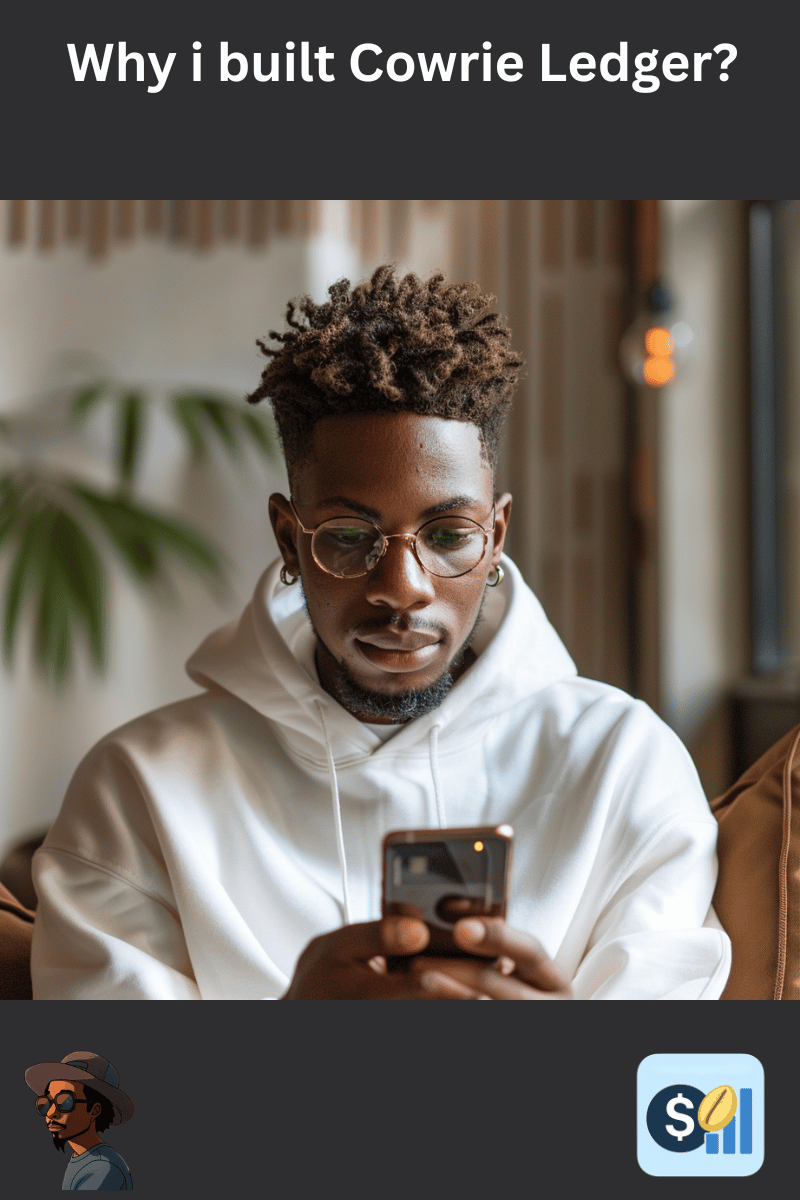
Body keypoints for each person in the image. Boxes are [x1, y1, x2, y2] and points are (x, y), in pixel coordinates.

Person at [31, 266, 730, 999]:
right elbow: (91, 1106)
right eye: (348, 535)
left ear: (496, 537)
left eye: (450, 534)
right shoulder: (138, 792)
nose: (402, 588)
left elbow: (679, 1099)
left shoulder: (624, 768)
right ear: (287, 538)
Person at [25, 1051, 133, 1189]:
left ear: (95, 1111)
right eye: (46, 1103)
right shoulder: (84, 1158)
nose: (51, 1113)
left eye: (65, 1102)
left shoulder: (102, 1168)